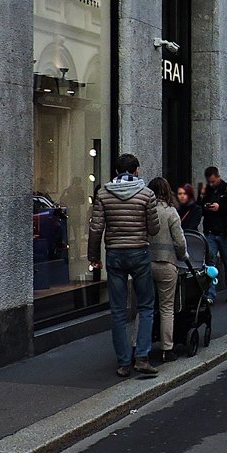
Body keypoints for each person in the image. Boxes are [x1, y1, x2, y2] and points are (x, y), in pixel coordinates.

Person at [87, 153, 161, 378]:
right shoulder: (147, 194)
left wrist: (93, 257)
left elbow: (96, 228)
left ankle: (123, 363)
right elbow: (154, 228)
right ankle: (142, 357)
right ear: (136, 170)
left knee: (118, 310)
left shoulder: (103, 194)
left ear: (117, 170)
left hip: (115, 254)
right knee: (146, 306)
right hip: (139, 252)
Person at [147, 177, 189, 364]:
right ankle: (167, 349)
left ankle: (138, 348)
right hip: (166, 263)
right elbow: (180, 242)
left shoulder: (144, 211)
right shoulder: (171, 212)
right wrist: (183, 256)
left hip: (145, 264)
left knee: (144, 307)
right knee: (166, 308)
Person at [200, 166, 227, 304]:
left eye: (213, 181)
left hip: (226, 233)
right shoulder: (206, 190)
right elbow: (200, 208)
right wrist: (206, 207)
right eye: (209, 182)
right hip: (211, 231)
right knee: (210, 265)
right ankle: (210, 294)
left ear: (218, 176)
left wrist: (220, 208)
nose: (211, 184)